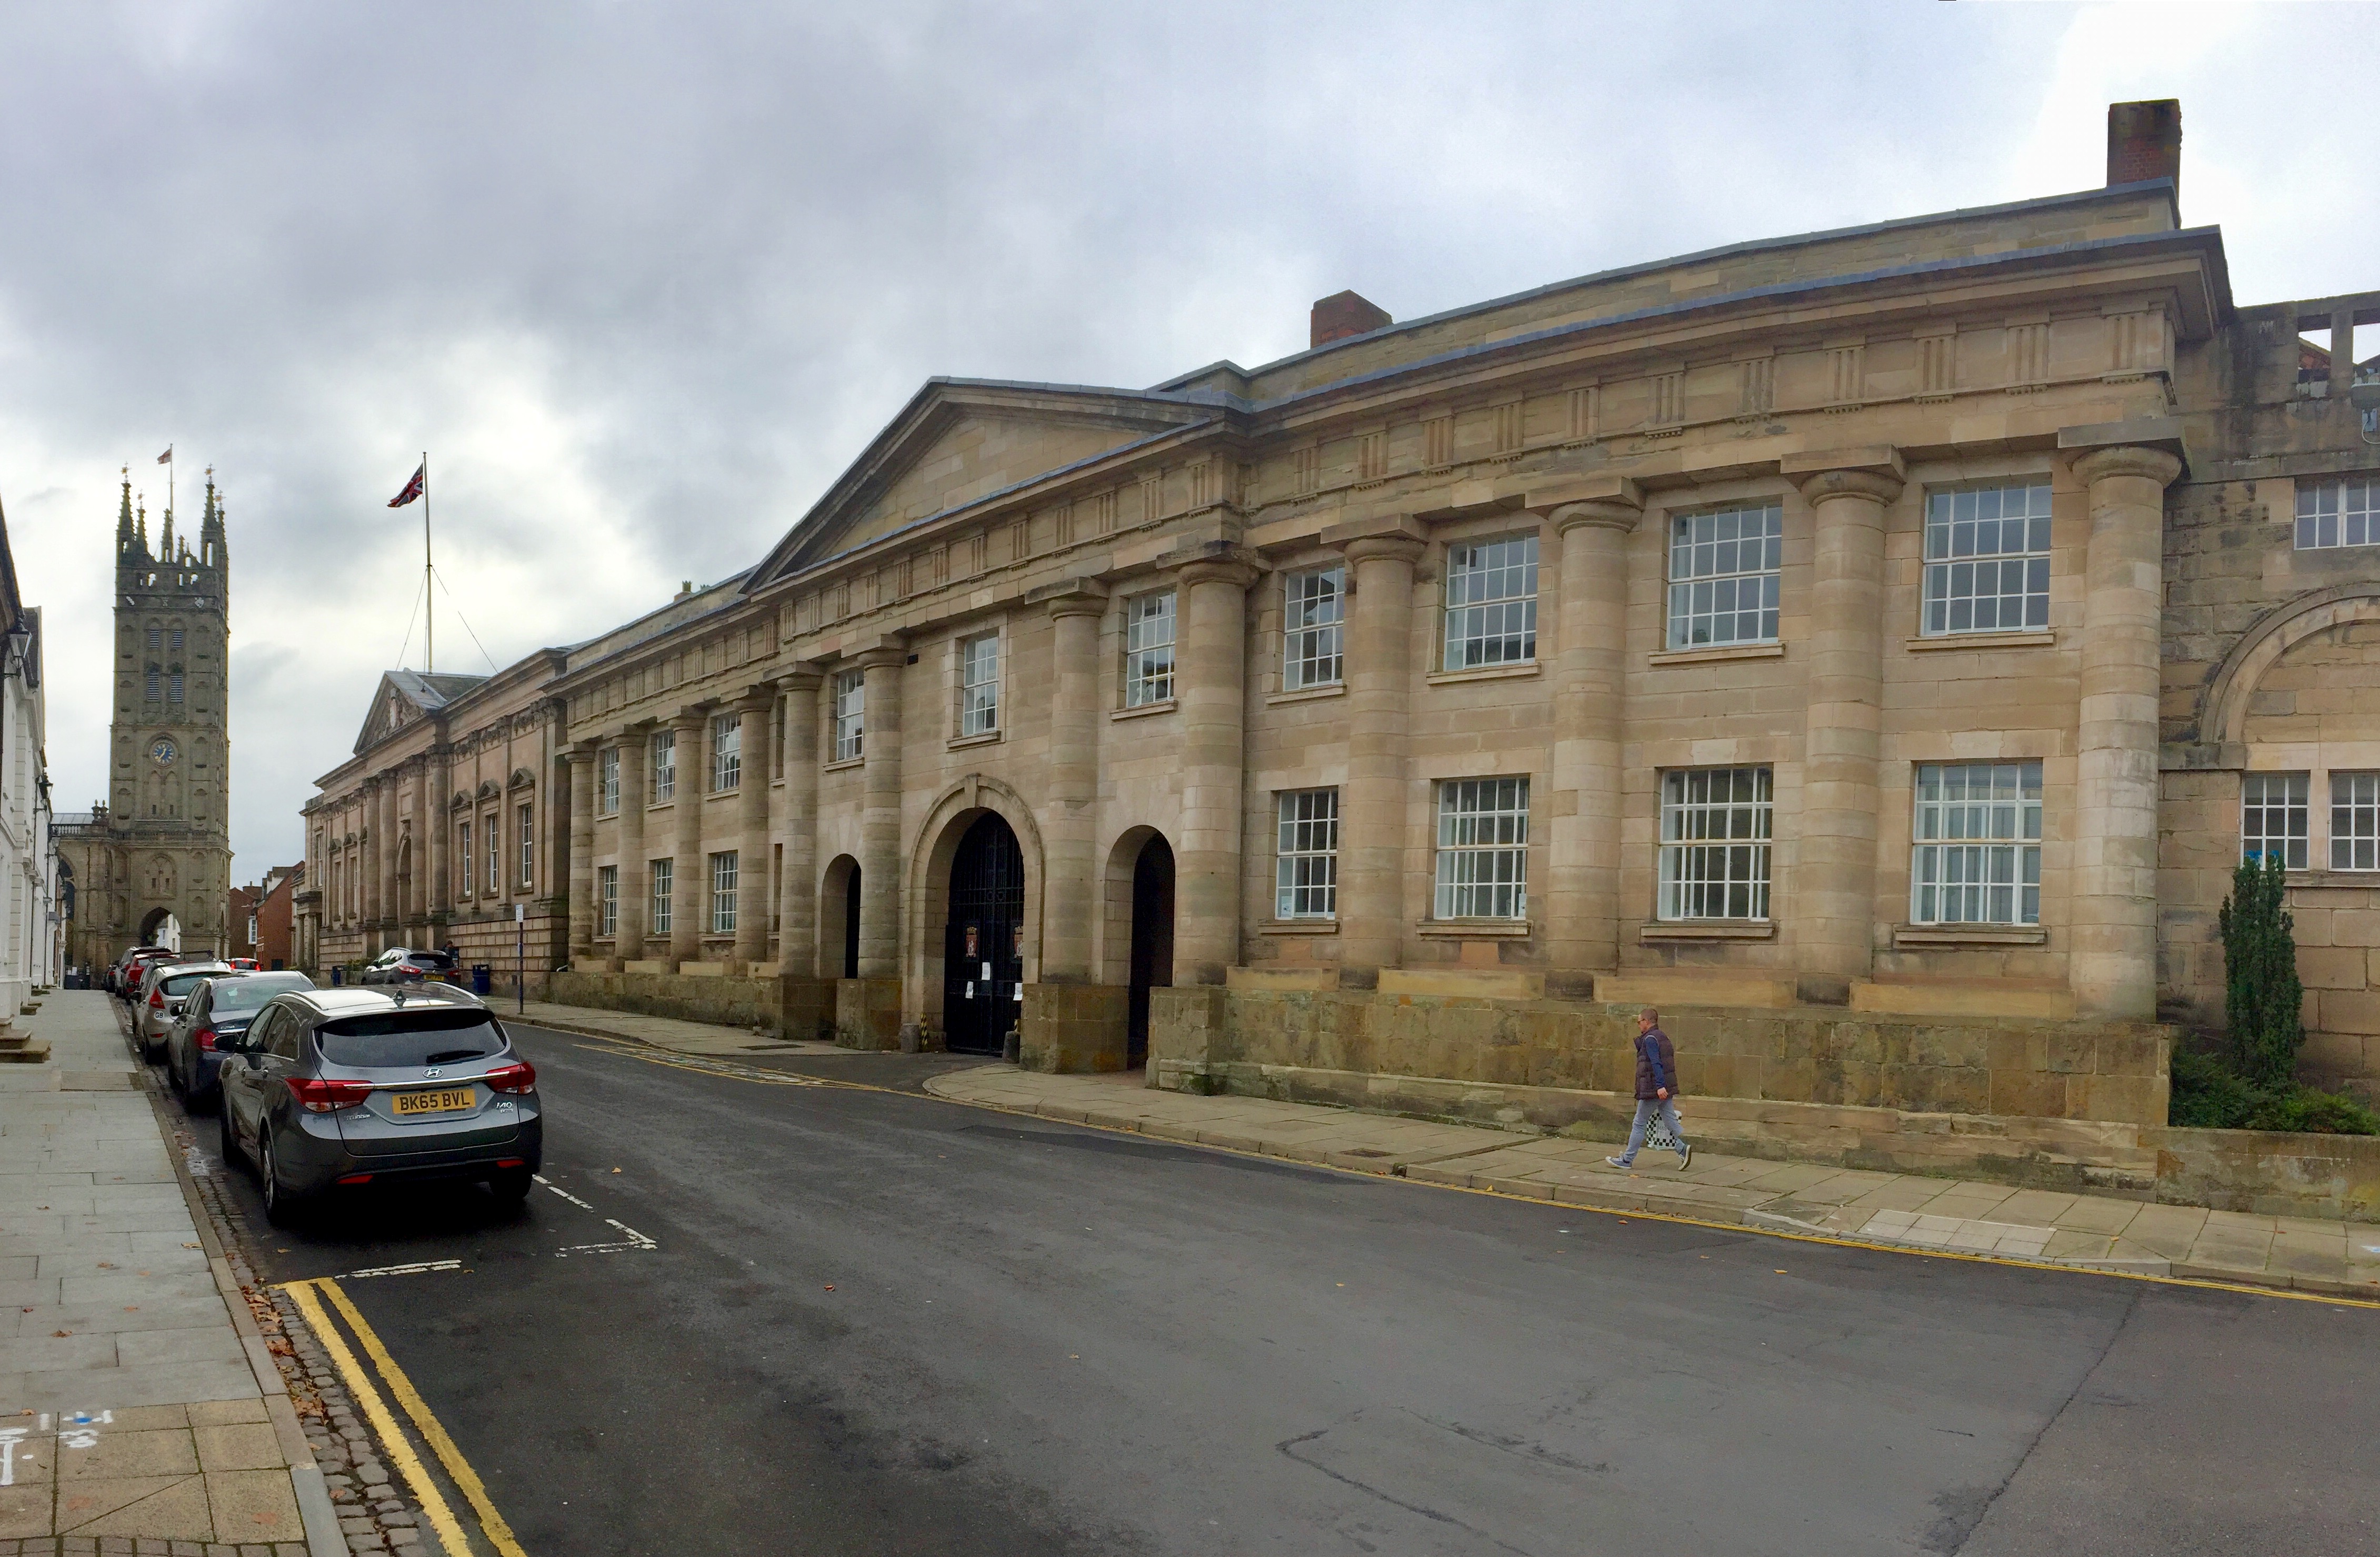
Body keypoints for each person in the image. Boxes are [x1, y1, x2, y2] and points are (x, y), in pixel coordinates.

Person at [1608, 1007, 1692, 1170]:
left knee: (1639, 1122)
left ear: (1646, 1022)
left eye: (1639, 1022)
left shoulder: (1650, 1039)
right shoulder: (1662, 1037)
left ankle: (1627, 1160)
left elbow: (1656, 1064)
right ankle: (1684, 1147)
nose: (1638, 1026)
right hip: (1663, 1088)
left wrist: (1660, 1086)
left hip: (1654, 1088)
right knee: (1670, 1121)